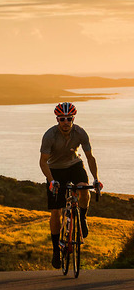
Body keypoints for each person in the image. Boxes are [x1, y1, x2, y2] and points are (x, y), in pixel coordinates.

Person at [39, 102, 102, 269]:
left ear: (73, 118)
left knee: (83, 189)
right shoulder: (49, 136)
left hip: (74, 165)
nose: (65, 122)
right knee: (56, 211)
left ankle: (82, 217)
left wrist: (96, 179)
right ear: (57, 119)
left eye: (69, 118)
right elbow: (43, 162)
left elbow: (90, 157)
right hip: (55, 170)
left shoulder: (80, 133)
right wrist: (52, 181)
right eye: (62, 119)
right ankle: (55, 250)